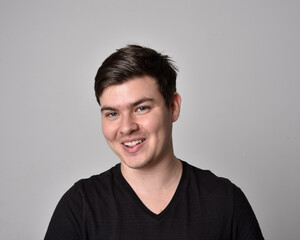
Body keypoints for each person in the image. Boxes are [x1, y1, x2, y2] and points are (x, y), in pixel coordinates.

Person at [44, 45, 264, 239]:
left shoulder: (225, 201)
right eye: (112, 114)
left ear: (173, 107)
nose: (126, 127)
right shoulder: (80, 205)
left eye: (141, 108)